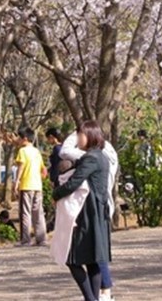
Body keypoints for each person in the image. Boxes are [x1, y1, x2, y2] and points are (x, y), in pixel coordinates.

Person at [52, 121, 112, 301]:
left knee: (72, 259)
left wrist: (55, 194)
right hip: (98, 213)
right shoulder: (101, 157)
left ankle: (91, 299)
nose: (78, 138)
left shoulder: (91, 158)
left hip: (87, 214)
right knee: (93, 261)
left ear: (90, 135)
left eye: (81, 134)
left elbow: (73, 182)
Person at [14, 127, 48, 247]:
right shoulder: (37, 151)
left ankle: (25, 240)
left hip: (26, 185)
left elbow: (21, 167)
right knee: (38, 212)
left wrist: (16, 182)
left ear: (25, 138)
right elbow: (43, 170)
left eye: (19, 137)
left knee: (25, 213)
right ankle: (42, 239)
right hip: (37, 186)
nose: (17, 139)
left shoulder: (22, 151)